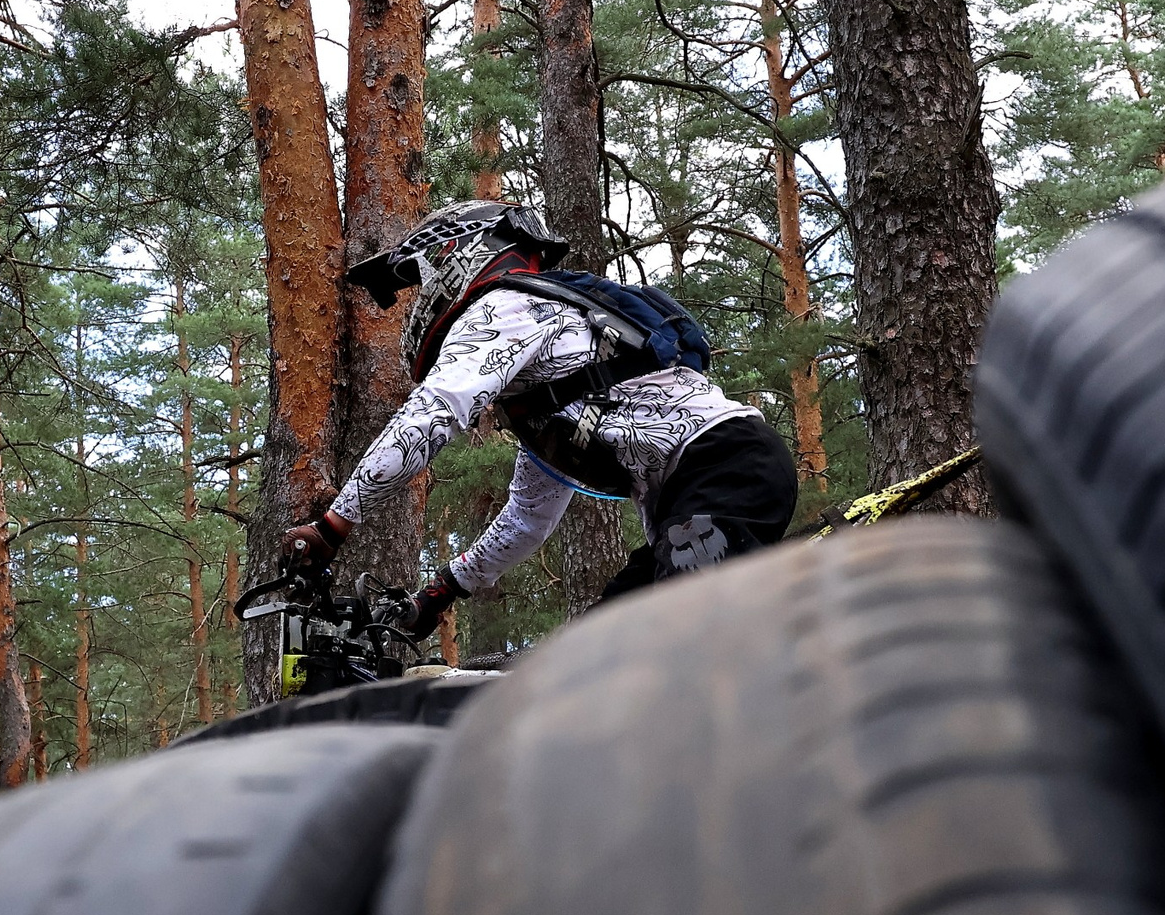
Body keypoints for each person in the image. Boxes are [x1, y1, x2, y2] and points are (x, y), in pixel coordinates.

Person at [280, 200, 799, 639]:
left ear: (454, 254)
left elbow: (434, 411)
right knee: (600, 654)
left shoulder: (506, 305)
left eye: (418, 285)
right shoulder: (544, 396)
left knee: (680, 648)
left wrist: (333, 525)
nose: (418, 303)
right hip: (701, 490)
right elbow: (528, 518)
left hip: (725, 466)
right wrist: (440, 592)